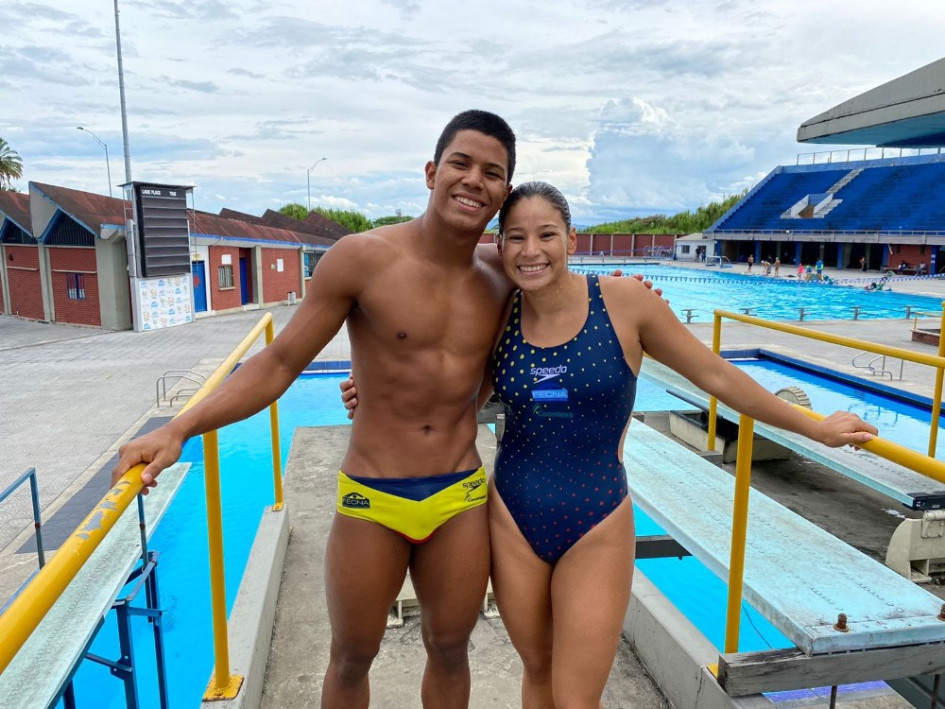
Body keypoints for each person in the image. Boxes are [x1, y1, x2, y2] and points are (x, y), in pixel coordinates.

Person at [112, 110, 655, 709]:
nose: (475, 179)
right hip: (372, 494)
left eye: (493, 172)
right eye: (461, 163)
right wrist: (181, 427)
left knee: (451, 651)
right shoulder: (361, 258)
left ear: (503, 192)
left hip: (460, 496)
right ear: (431, 171)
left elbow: (558, 311)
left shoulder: (501, 275)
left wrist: (632, 293)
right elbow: (280, 361)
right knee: (350, 657)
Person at [347, 182, 877, 707]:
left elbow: (716, 375)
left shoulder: (625, 302)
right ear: (501, 244)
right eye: (516, 237)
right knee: (537, 674)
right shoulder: (501, 313)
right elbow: (451, 386)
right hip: (512, 516)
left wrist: (813, 426)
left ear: (572, 240)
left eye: (547, 234)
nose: (531, 251)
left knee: (577, 698)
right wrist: (376, 395)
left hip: (596, 517)